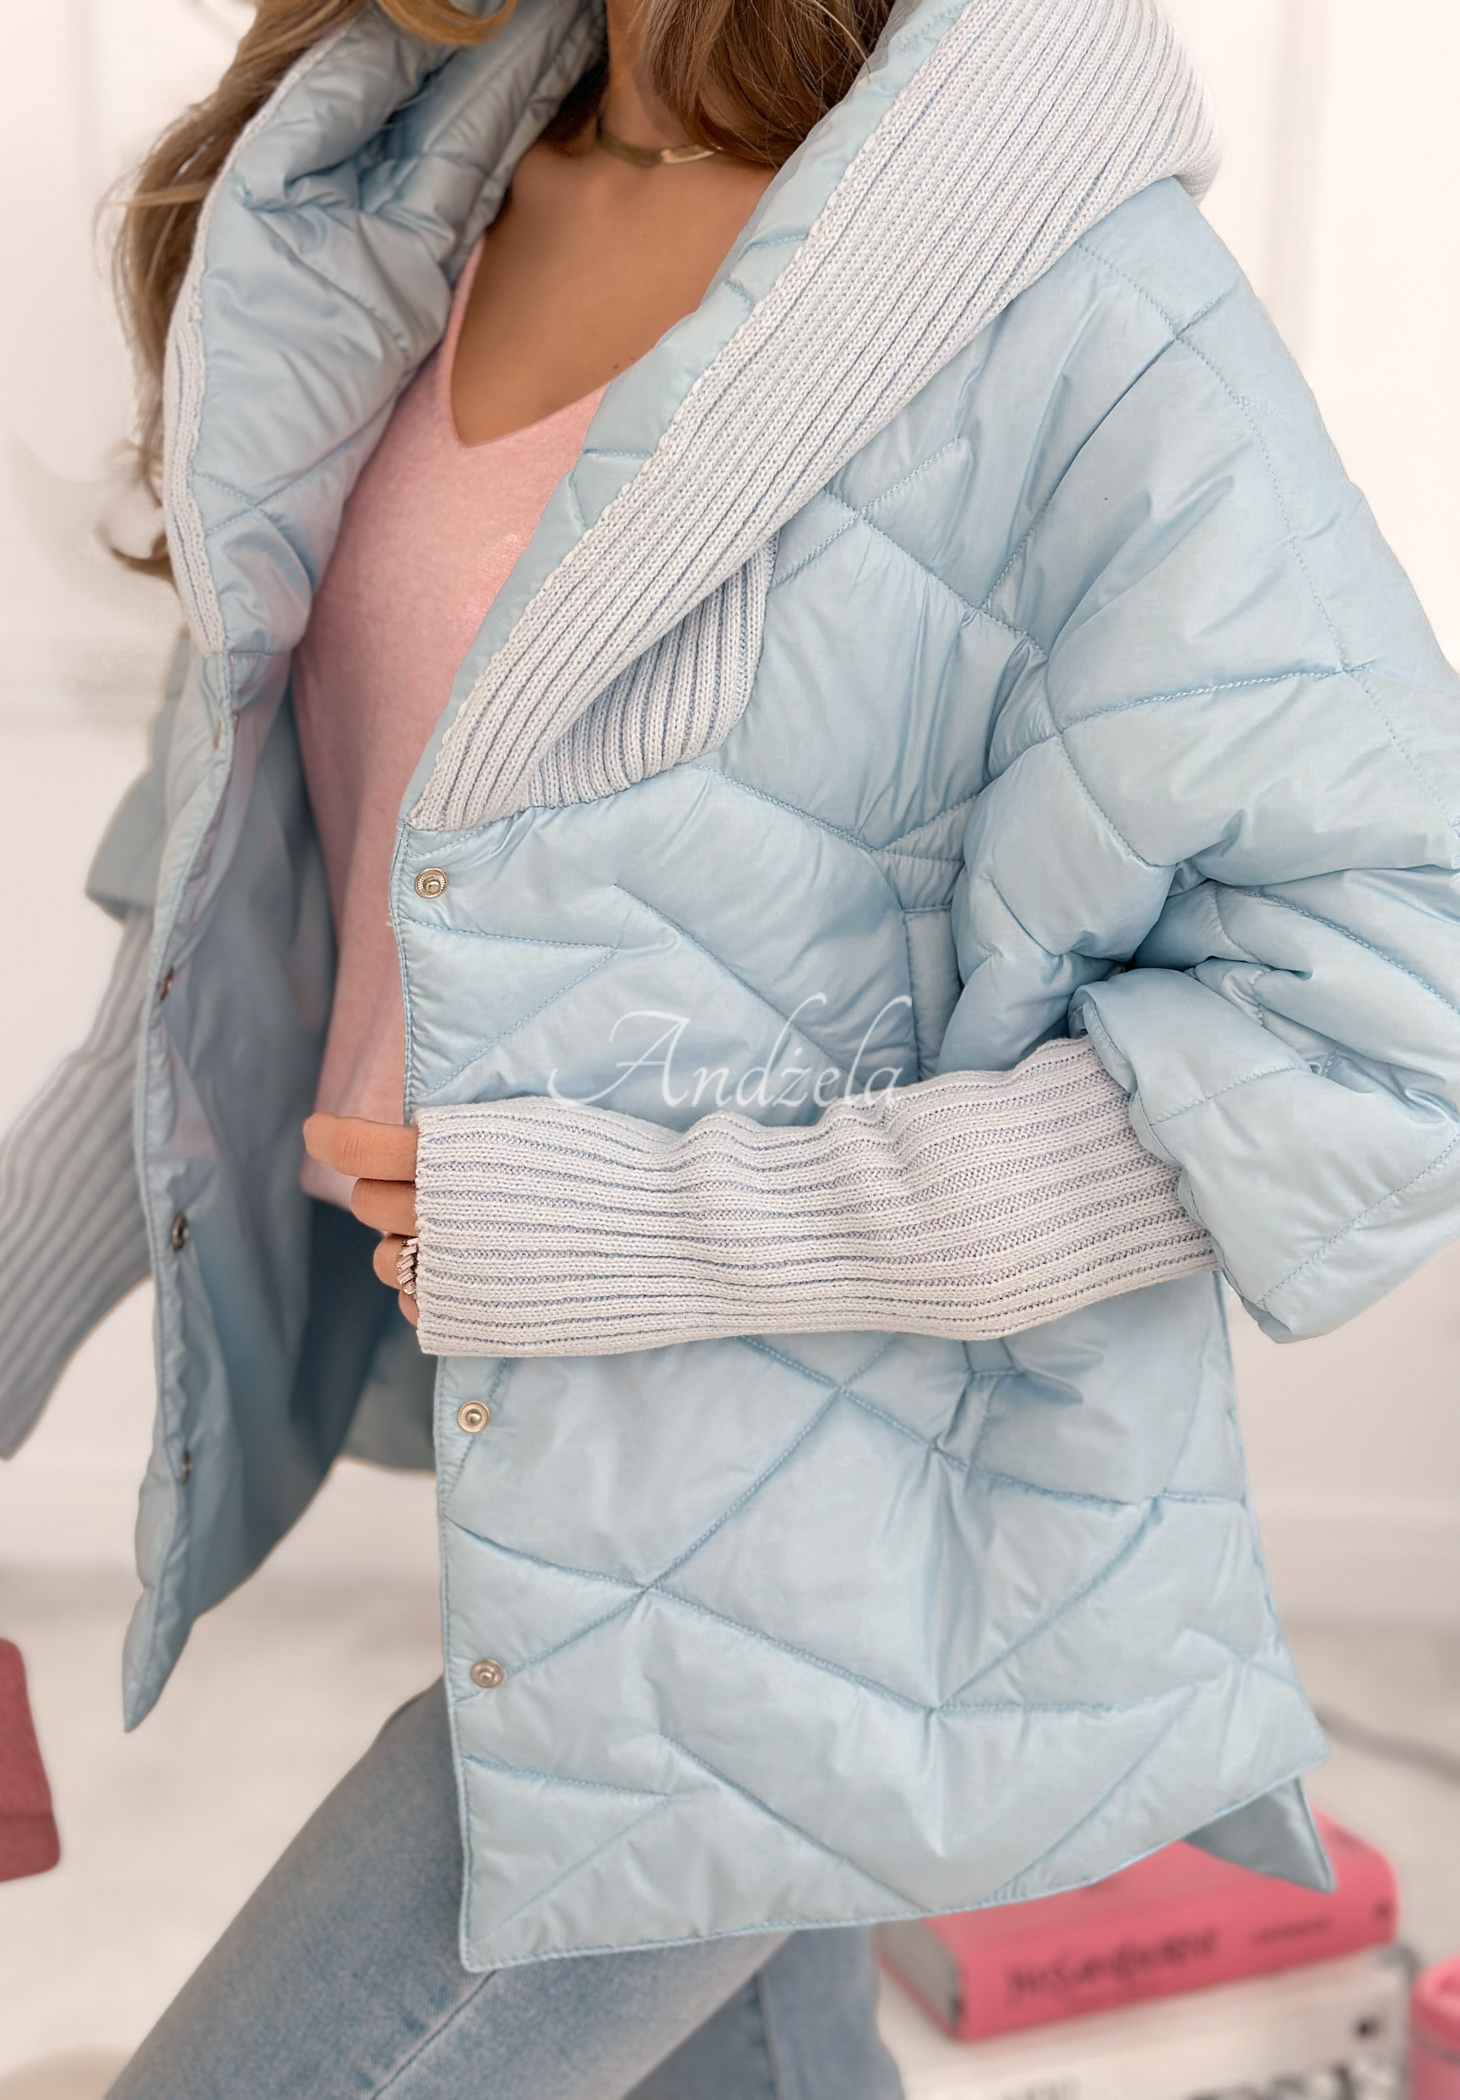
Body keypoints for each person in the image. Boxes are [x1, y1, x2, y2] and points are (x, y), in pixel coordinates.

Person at [1, 0, 1458, 2090]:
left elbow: (1392, 1028)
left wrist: (654, 1224)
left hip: (839, 1557)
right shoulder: (395, 200)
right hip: (574, 1505)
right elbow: (195, 976)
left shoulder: (1070, 293)